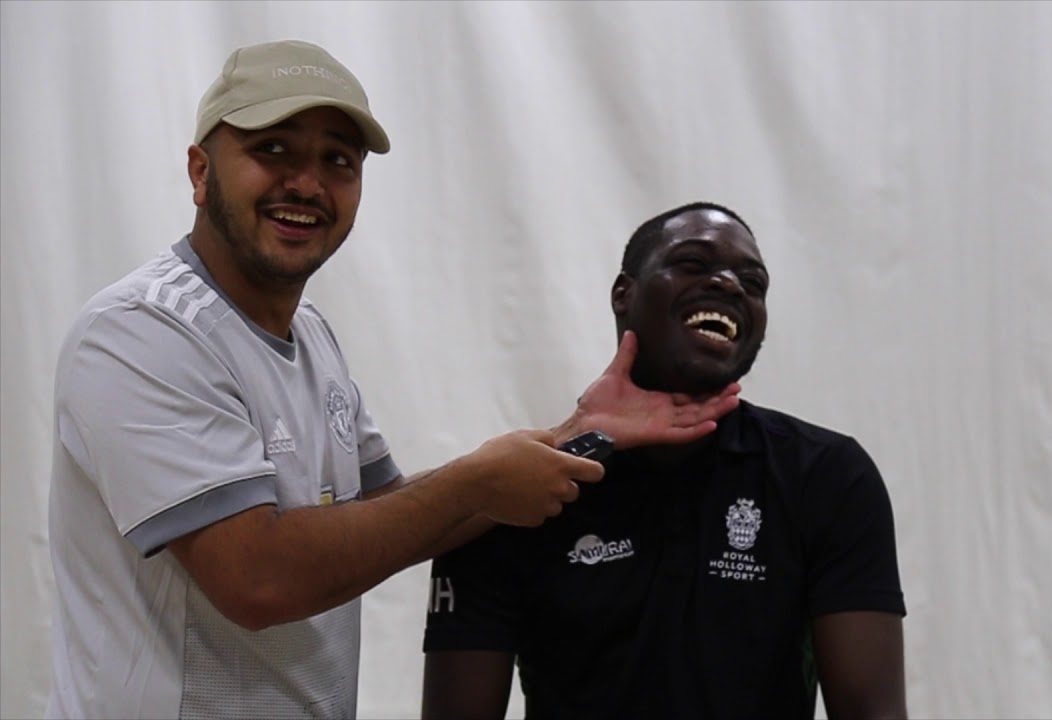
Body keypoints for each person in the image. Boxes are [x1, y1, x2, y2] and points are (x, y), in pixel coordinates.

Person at [45, 41, 739, 720]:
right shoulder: (142, 332)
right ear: (200, 172)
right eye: (272, 149)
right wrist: (477, 481)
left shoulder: (310, 335)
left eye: (337, 161)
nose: (308, 184)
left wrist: (570, 436)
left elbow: (396, 514)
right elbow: (257, 579)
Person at [422, 202, 908, 720]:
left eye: (754, 280)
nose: (728, 284)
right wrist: (577, 439)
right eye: (694, 264)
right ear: (623, 294)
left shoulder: (828, 477)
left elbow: (871, 710)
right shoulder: (515, 492)